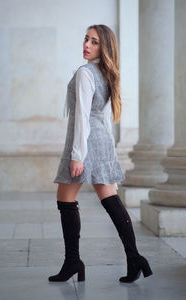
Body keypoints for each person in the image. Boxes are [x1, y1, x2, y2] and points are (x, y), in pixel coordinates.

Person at [48, 24, 153, 283]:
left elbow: (83, 117)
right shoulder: (106, 73)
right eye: (86, 39)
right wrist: (108, 154)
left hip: (85, 140)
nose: (87, 45)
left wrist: (77, 155)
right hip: (101, 140)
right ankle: (135, 258)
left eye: (94, 42)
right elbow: (104, 117)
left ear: (104, 47)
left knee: (66, 198)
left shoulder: (85, 73)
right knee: (109, 198)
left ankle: (73, 261)